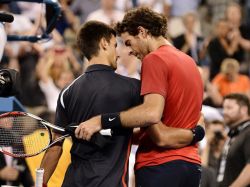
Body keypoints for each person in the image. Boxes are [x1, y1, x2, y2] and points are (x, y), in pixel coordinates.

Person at [40, 20, 199, 187]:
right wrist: (197, 132)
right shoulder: (133, 88)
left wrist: (40, 184)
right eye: (115, 46)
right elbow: (159, 131)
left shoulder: (67, 92)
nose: (118, 54)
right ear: (104, 43)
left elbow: (55, 147)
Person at [217, 93, 250, 187]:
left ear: (244, 110)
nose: (224, 112)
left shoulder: (248, 132)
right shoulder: (234, 134)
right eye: (224, 108)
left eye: (229, 108)